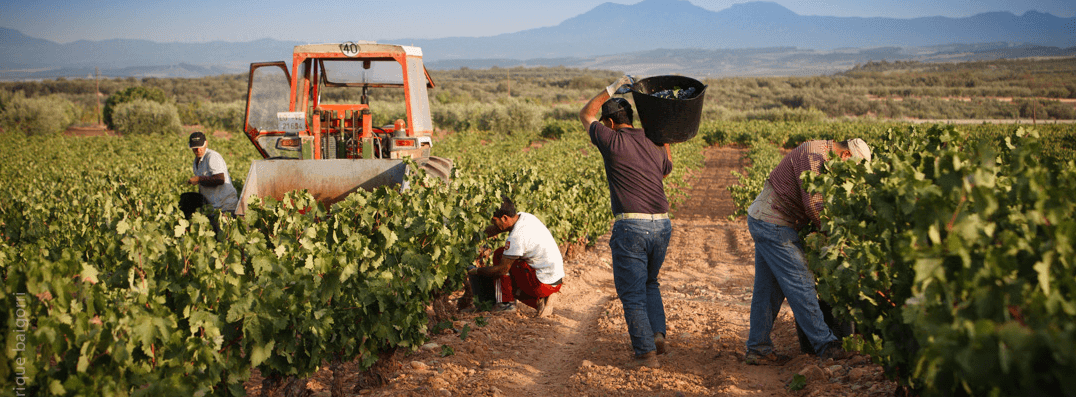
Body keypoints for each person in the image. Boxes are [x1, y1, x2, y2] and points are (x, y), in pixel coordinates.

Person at [744, 138, 871, 365]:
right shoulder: (814, 155)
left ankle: (758, 348)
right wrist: (837, 239)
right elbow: (814, 203)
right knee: (801, 282)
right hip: (773, 221)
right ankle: (826, 345)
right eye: (853, 168)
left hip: (767, 218)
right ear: (846, 156)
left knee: (768, 290)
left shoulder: (825, 156)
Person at [578, 76, 673, 369]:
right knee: (650, 282)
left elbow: (585, 114)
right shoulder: (652, 140)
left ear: (608, 123)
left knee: (631, 292)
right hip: (663, 224)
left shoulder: (610, 140)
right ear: (631, 118)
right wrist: (662, 131)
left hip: (631, 225)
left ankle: (645, 354)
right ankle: (657, 334)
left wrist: (612, 86)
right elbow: (664, 170)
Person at [466, 196, 564, 318]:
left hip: (542, 284)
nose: (493, 224)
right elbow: (497, 229)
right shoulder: (523, 217)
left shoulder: (516, 237)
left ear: (504, 218)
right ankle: (540, 301)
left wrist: (477, 271)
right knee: (506, 260)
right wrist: (474, 238)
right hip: (554, 278)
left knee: (500, 258)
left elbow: (502, 269)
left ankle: (506, 304)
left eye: (494, 221)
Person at [186, 131, 238, 216]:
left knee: (223, 228)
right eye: (195, 148)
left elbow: (220, 179)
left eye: (200, 147)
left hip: (225, 206)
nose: (198, 150)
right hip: (212, 207)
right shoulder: (196, 162)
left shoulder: (212, 157)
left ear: (206, 143)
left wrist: (199, 179)